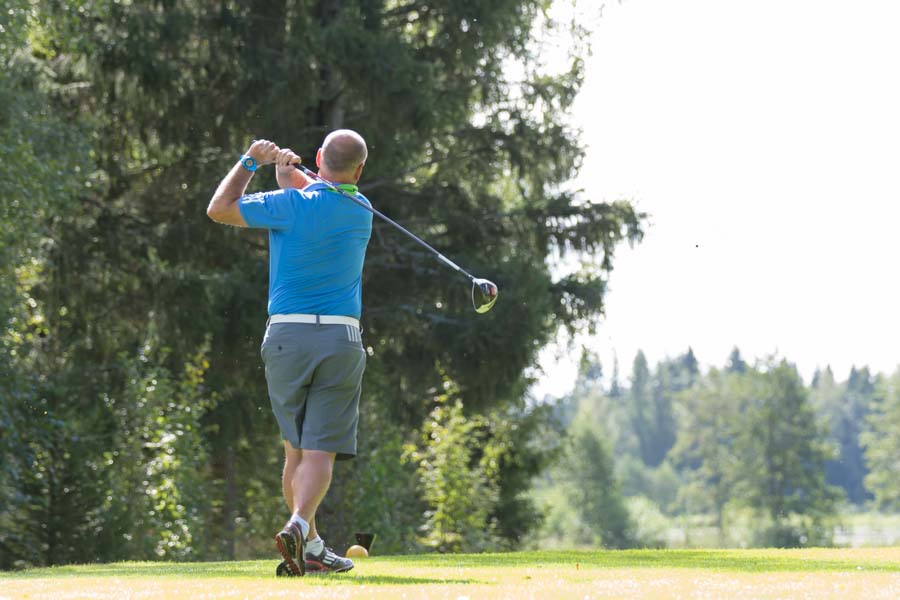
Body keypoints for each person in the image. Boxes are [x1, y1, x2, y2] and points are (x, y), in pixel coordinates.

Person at [206, 130, 372, 576]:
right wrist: (291, 178)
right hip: (339, 339)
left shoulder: (288, 206)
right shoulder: (361, 211)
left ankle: (309, 542)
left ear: (318, 158)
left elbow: (218, 209)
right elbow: (322, 195)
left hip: (285, 338)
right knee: (320, 452)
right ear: (359, 171)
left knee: (295, 451)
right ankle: (301, 528)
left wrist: (250, 162)